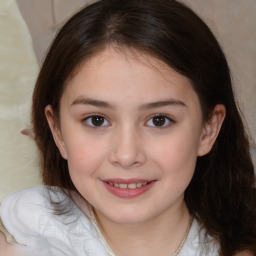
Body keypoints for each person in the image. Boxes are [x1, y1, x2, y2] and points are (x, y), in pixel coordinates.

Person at [0, 0, 255, 255]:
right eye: (96, 120)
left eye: (159, 120)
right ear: (58, 132)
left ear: (207, 129)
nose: (126, 155)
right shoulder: (26, 229)